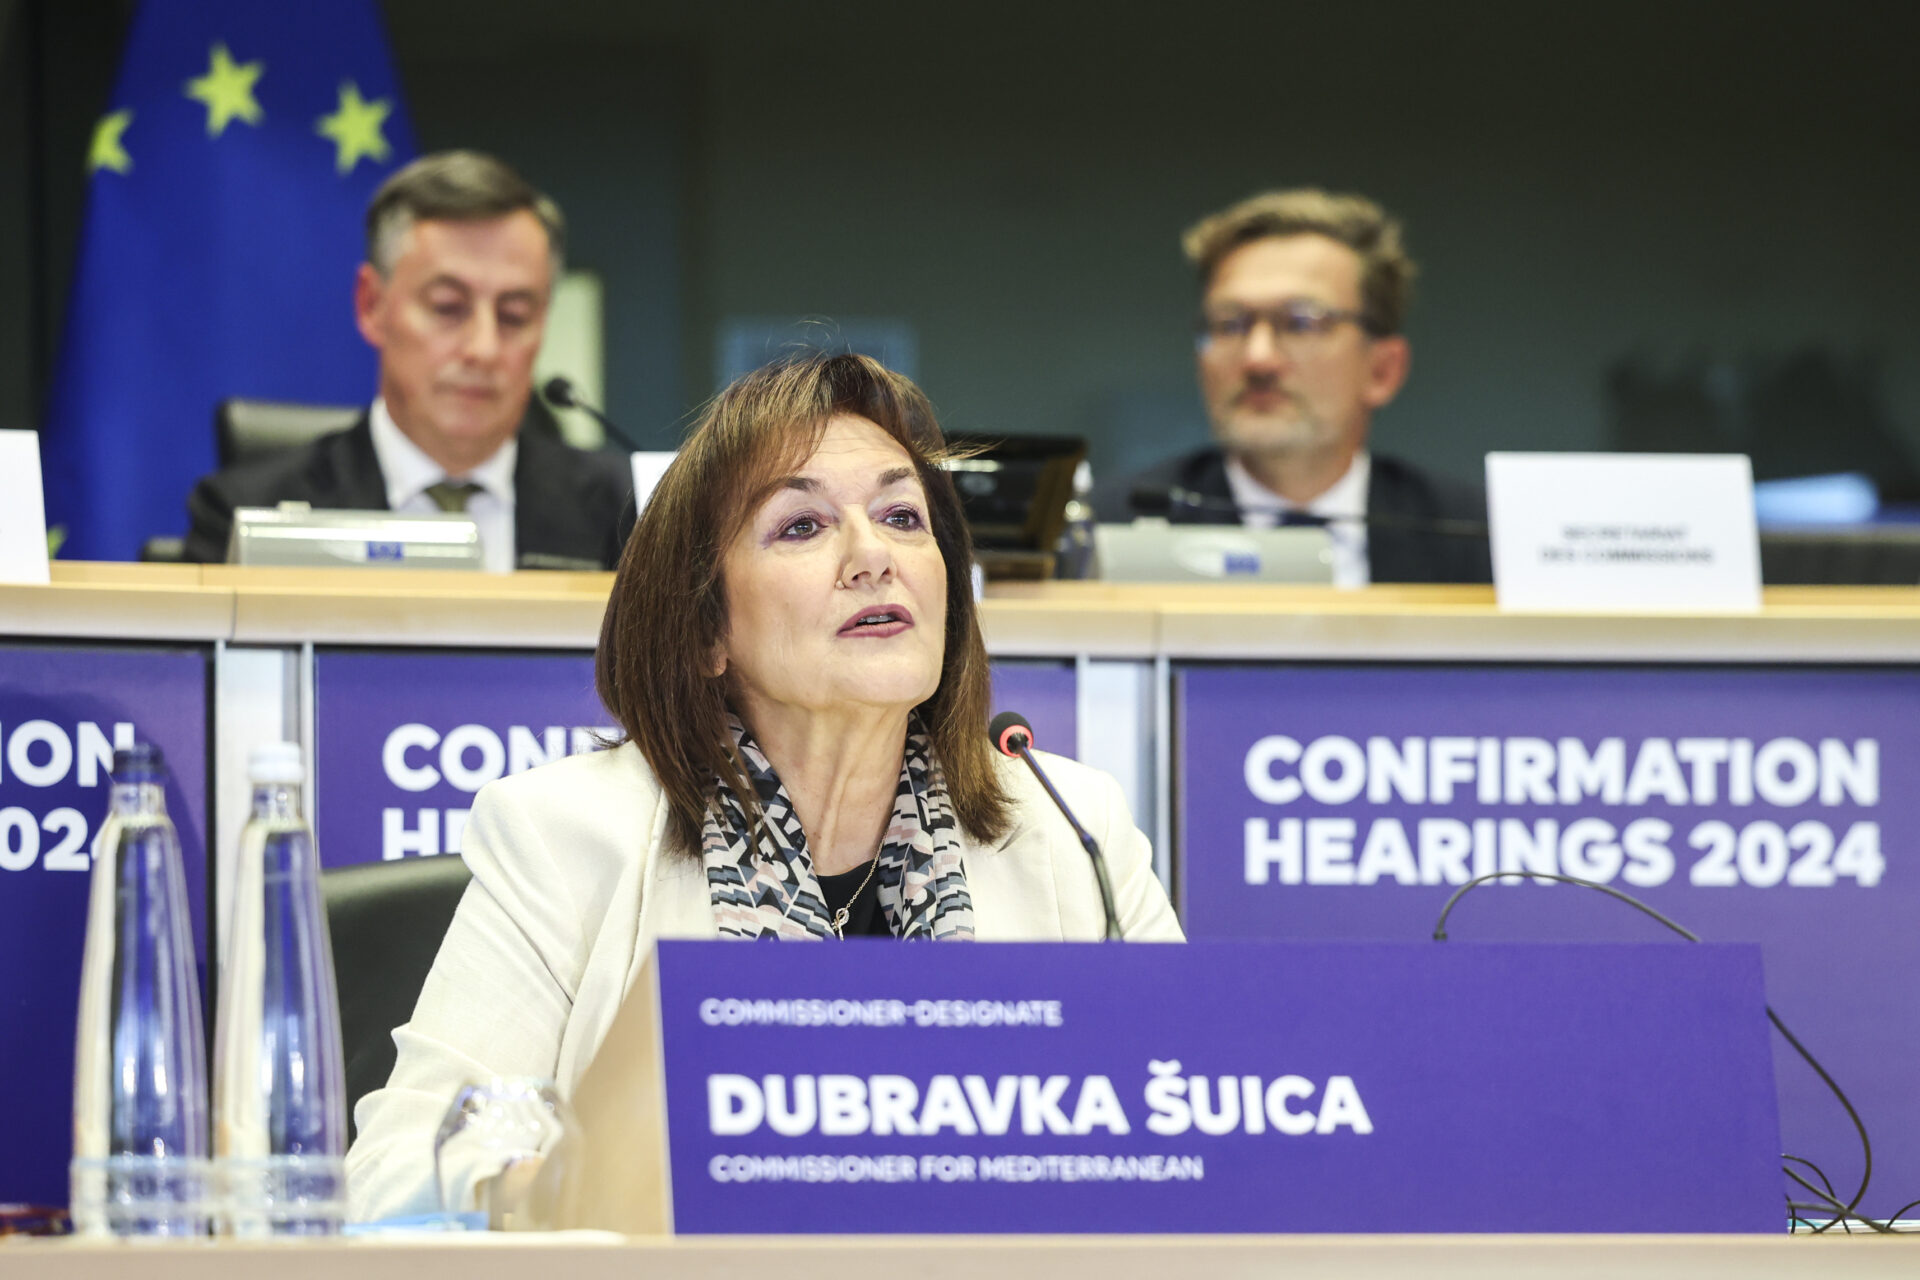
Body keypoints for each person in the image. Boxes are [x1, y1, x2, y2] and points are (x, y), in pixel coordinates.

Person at [345, 352, 1182, 1221]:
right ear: (708, 629)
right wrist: (579, 1185)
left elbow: (1187, 1123)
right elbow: (394, 1180)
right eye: (802, 526)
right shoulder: (568, 837)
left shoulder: (1071, 830)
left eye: (902, 516)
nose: (873, 556)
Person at [183, 151, 631, 570]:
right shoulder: (243, 514)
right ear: (371, 305)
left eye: (514, 315)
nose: (484, 349)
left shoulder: (629, 516)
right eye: (448, 307)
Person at [1095, 188, 1491, 585]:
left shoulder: (1477, 538)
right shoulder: (1107, 530)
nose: (1258, 358)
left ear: (1382, 371)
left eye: (1301, 323)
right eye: (1230, 324)